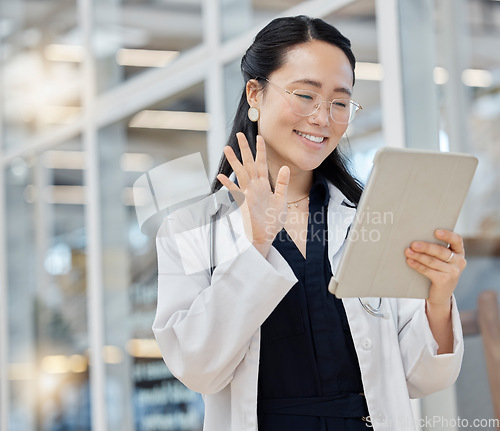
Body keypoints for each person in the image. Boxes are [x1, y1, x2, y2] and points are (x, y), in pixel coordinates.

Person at [153, 15, 465, 431]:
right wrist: (256, 241)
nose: (322, 118)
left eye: (339, 102)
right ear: (255, 94)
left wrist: (438, 299)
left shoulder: (370, 219)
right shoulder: (192, 229)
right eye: (305, 96)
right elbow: (198, 368)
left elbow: (422, 376)